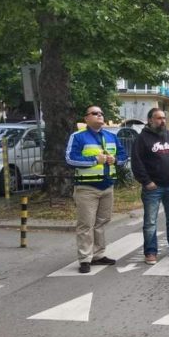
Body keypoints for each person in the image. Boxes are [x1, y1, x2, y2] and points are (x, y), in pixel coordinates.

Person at [65, 105, 128, 273]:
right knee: (86, 224)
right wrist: (95, 160)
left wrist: (115, 160)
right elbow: (70, 159)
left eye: (101, 113)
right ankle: (85, 259)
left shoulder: (111, 136)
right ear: (86, 118)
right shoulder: (78, 136)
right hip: (87, 187)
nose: (99, 115)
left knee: (101, 222)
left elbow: (124, 156)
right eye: (95, 113)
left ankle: (98, 255)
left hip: (107, 186)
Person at [131, 108, 169, 265]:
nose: (162, 121)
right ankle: (150, 252)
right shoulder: (142, 139)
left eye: (164, 118)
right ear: (150, 120)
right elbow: (136, 163)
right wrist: (146, 182)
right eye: (158, 118)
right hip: (153, 188)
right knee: (150, 222)